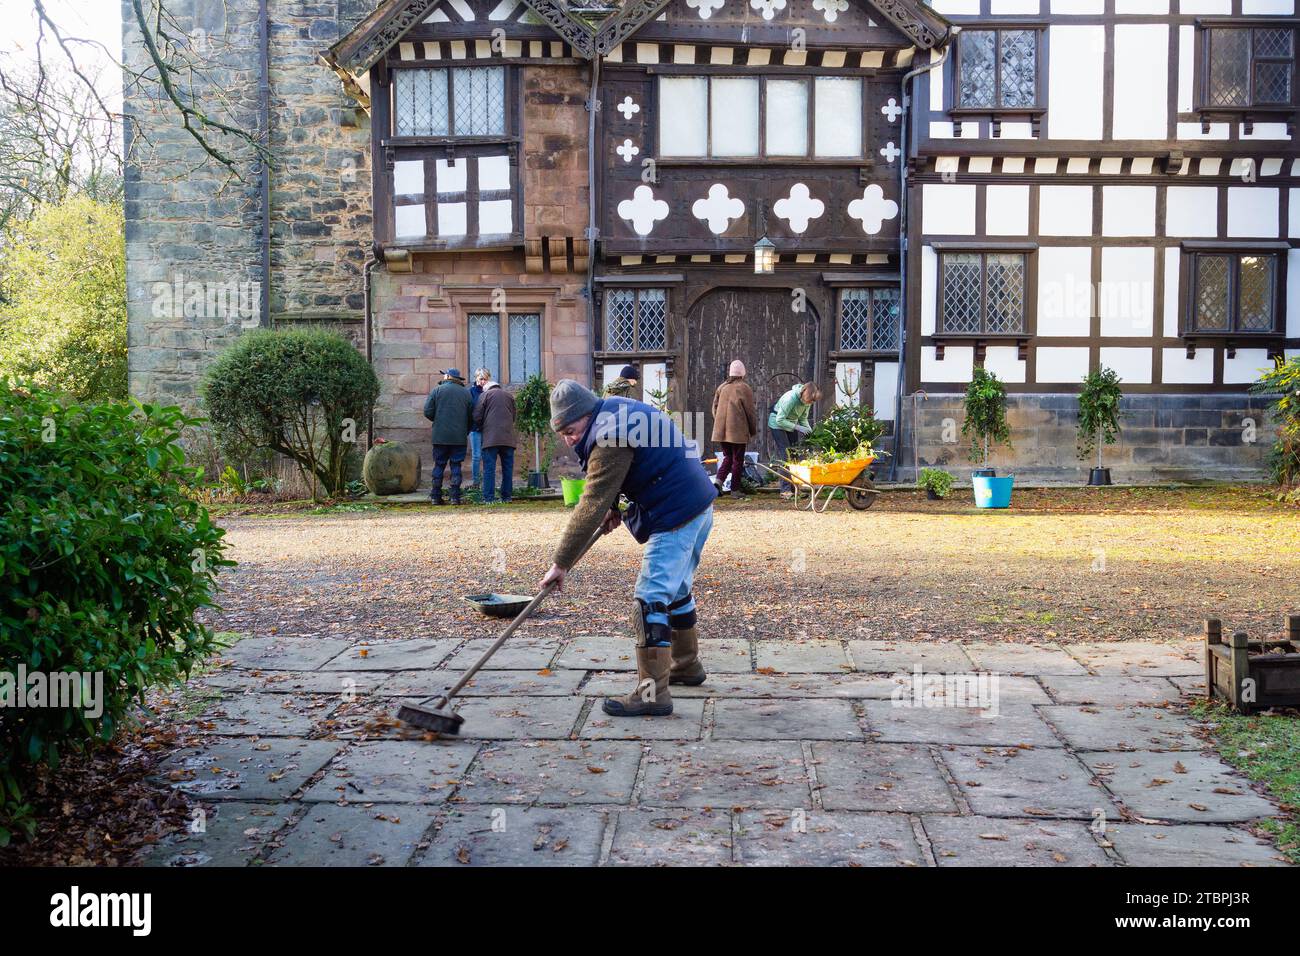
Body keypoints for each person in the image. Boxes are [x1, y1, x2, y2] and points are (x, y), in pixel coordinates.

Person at [540, 380, 717, 717]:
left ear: (586, 415)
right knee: (676, 589)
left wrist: (561, 563)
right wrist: (614, 506)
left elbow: (591, 500)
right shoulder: (617, 412)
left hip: (675, 513)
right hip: (698, 504)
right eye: (562, 432)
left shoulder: (608, 437)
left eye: (572, 429)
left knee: (649, 599)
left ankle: (652, 695)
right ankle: (686, 665)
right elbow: (640, 465)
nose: (568, 438)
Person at [422, 368, 473, 505]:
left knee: (439, 464)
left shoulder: (437, 390)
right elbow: (471, 417)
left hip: (440, 436)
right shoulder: (466, 393)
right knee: (456, 465)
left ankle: (435, 496)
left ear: (448, 376)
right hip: (459, 437)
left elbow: (427, 411)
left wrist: (438, 421)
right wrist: (465, 430)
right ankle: (455, 497)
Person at [768, 381, 823, 499]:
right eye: (808, 401)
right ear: (803, 393)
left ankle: (795, 488)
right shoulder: (790, 398)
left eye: (811, 402)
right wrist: (798, 427)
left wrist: (809, 432)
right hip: (777, 424)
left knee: (794, 455)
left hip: (790, 425)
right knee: (786, 455)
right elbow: (780, 420)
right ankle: (785, 490)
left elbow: (803, 418)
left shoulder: (808, 400)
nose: (809, 403)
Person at [711, 360, 757, 500]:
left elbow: (714, 408)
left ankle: (718, 482)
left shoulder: (722, 387)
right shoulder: (744, 388)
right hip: (737, 431)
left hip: (721, 430)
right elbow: (750, 412)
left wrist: (719, 422)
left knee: (728, 457)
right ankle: (735, 490)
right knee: (738, 459)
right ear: (742, 373)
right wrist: (752, 429)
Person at [474, 376, 517, 504]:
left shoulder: (485, 395)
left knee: (489, 469)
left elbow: (477, 416)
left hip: (490, 439)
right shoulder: (509, 396)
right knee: (508, 469)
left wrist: (483, 427)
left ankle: (489, 498)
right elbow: (514, 416)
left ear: (487, 388)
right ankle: (506, 497)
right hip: (508, 438)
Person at [468, 368, 490, 487]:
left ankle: (487, 481)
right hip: (475, 428)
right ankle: (476, 482)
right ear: (476, 378)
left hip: (487, 429)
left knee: (487, 455)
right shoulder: (471, 392)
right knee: (476, 456)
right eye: (481, 379)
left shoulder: (489, 391)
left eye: (485, 379)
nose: (483, 382)